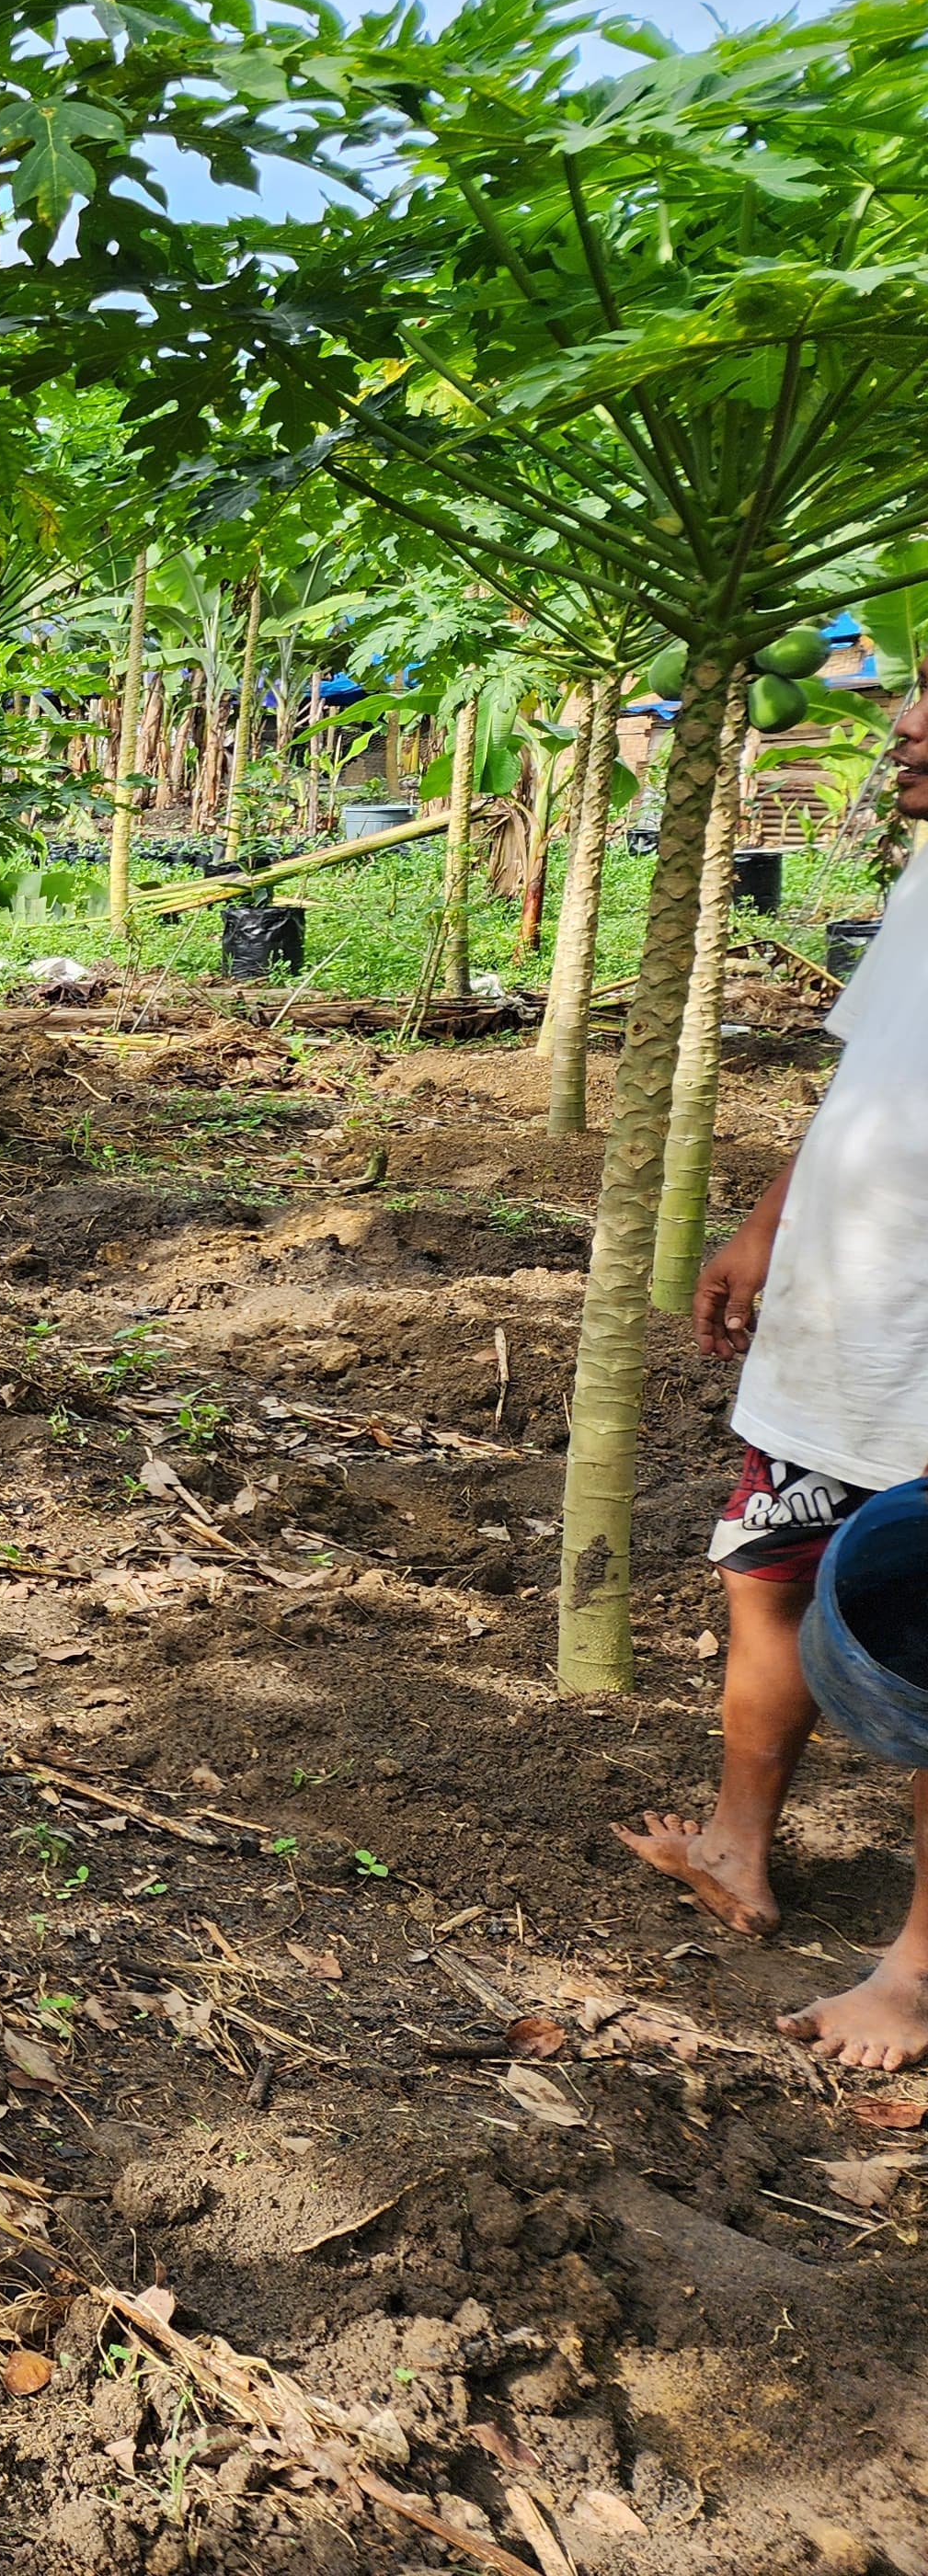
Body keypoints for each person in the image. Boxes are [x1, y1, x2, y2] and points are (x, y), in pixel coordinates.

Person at [618, 684, 928, 2068]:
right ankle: (742, 1847)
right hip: (840, 1319)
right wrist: (763, 1223)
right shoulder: (925, 883)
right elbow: (865, 1080)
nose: (906, 722)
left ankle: (915, 1972)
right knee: (771, 1578)